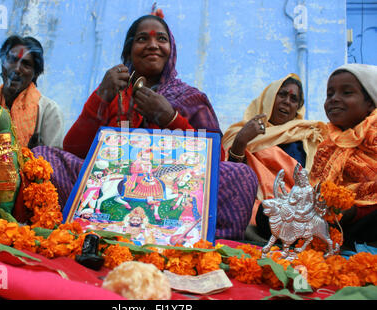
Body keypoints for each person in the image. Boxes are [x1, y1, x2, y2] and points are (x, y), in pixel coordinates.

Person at [33, 14, 258, 240]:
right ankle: (76, 227)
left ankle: (202, 243)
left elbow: (215, 160)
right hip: (114, 180)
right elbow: (73, 149)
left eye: (161, 39)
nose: (153, 45)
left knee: (241, 176)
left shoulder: (191, 98)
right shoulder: (112, 92)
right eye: (142, 39)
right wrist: (101, 96)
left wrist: (170, 118)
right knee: (42, 158)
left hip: (172, 184)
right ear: (129, 50)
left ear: (172, 50)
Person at [221, 74, 327, 239]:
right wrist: (242, 140)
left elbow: (312, 183)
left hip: (294, 213)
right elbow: (229, 178)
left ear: (298, 107)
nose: (286, 101)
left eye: (293, 99)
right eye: (282, 94)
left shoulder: (308, 138)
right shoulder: (241, 132)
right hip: (251, 210)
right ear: (269, 97)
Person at [309, 63, 377, 248]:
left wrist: (352, 211)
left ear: (370, 102)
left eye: (347, 93)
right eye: (329, 94)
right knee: (267, 214)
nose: (334, 99)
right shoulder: (327, 146)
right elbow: (315, 190)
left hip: (365, 221)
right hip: (331, 223)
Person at [0, 35, 64, 149]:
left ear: (35, 73)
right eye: (12, 60)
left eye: (26, 64)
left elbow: (52, 161)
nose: (17, 69)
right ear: (2, 64)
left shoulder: (49, 111)